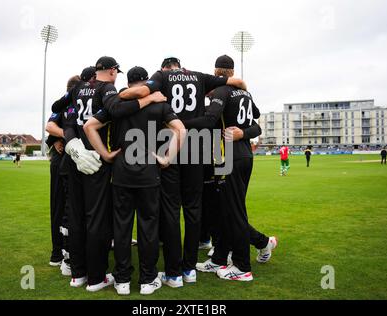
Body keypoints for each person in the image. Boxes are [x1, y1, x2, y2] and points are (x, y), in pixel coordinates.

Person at [119, 56, 247, 287]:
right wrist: (244, 87)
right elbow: (235, 82)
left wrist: (121, 96)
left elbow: (137, 93)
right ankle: (189, 269)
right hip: (197, 147)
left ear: (165, 67)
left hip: (169, 144)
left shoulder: (162, 76)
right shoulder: (199, 76)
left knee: (170, 210)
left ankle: (174, 272)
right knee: (193, 209)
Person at [85, 66, 185, 295]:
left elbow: (88, 126)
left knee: (121, 229)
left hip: (120, 174)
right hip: (149, 174)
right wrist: (167, 158)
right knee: (148, 228)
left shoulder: (118, 106)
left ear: (128, 84)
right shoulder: (159, 104)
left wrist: (106, 154)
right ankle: (147, 279)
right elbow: (182, 131)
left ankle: (122, 281)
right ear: (146, 82)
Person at [181, 54, 276, 281]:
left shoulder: (222, 92)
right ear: (232, 73)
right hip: (239, 155)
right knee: (224, 211)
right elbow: (255, 119)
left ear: (215, 72)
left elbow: (209, 120)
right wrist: (244, 132)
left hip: (230, 157)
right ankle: (219, 259)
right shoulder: (244, 93)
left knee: (233, 212)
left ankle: (243, 267)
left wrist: (177, 122)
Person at [50, 65, 123, 292]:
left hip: (75, 158)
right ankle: (95, 278)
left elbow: (60, 113)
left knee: (76, 217)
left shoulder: (77, 90)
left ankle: (78, 274)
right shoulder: (106, 89)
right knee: (96, 219)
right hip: (96, 158)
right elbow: (117, 111)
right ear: (110, 71)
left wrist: (74, 147)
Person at [45, 74, 81, 273]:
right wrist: (65, 136)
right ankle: (58, 253)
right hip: (62, 162)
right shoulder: (65, 104)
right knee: (61, 207)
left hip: (73, 160)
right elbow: (49, 126)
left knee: (72, 208)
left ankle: (71, 251)